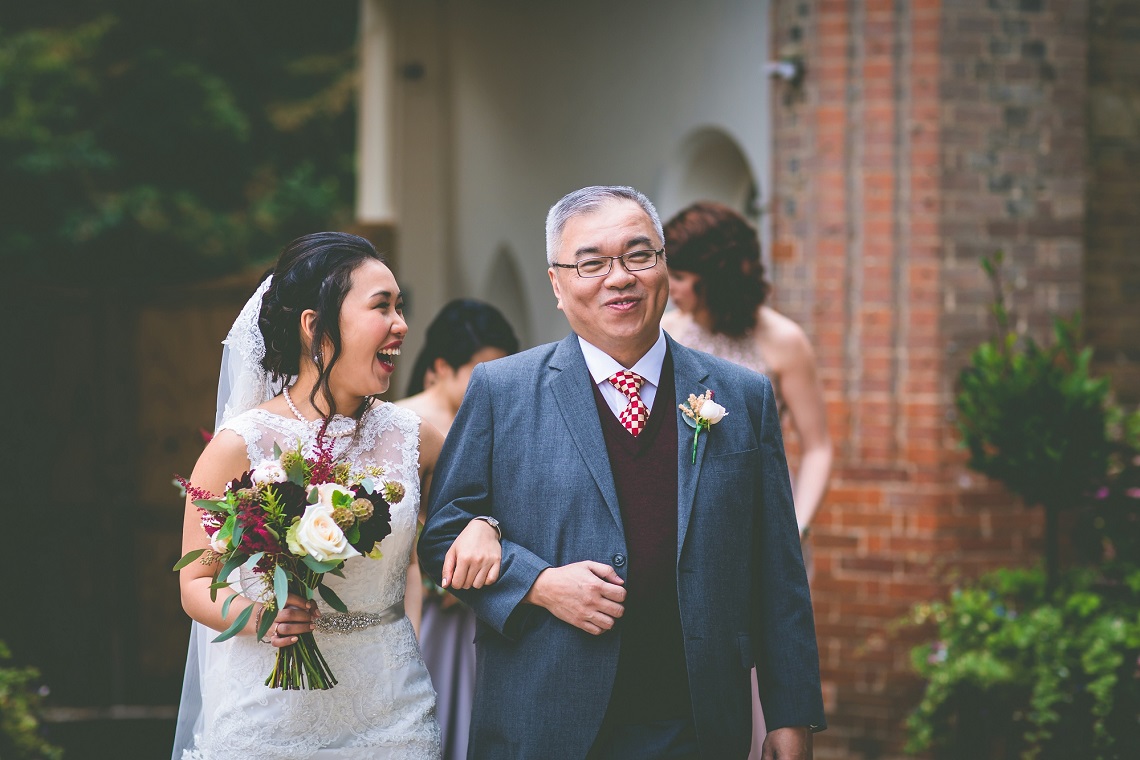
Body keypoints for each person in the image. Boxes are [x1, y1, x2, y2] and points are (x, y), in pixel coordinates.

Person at [420, 186, 826, 759]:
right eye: (592, 262)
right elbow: (440, 541)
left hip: (695, 720)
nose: (620, 277)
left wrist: (791, 713)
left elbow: (777, 570)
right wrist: (537, 584)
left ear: (664, 267)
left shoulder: (743, 395)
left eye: (640, 255)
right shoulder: (501, 392)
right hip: (544, 719)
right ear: (557, 285)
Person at [173, 232, 502, 760]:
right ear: (315, 325)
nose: (401, 325)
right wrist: (262, 617)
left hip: (391, 710)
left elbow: (489, 494)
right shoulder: (241, 446)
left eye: (400, 307)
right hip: (270, 716)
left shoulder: (415, 437)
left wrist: (487, 524)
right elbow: (196, 582)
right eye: (382, 307)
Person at [660, 201, 833, 757]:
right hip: (683, 539)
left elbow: (820, 447)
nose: (672, 288)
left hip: (755, 534)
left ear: (714, 277)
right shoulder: (666, 333)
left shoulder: (783, 342)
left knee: (762, 659)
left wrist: (795, 526)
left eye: (681, 277)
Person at [395, 299, 520, 760]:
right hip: (428, 606)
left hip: (491, 597)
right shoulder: (404, 425)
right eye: (481, 369)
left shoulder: (506, 419)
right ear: (442, 367)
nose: (495, 381)